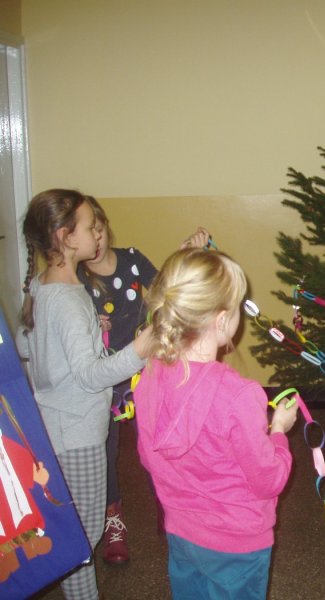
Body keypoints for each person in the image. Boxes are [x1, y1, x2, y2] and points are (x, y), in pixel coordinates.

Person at [134, 248, 298, 600]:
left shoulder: (149, 377)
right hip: (238, 543)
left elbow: (150, 459)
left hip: (181, 531)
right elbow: (268, 479)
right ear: (222, 320)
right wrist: (279, 431)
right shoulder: (239, 396)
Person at [15, 189, 152, 600]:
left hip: (54, 425)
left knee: (71, 533)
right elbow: (93, 376)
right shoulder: (70, 299)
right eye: (91, 225)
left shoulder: (43, 286)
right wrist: (140, 350)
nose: (99, 231)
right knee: (82, 538)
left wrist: (90, 333)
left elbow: (27, 345)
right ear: (65, 237)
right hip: (79, 433)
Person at [78, 196, 209, 565]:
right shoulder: (77, 280)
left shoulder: (133, 260)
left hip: (149, 375)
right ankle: (112, 516)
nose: (97, 240)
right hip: (105, 380)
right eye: (89, 233)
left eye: (99, 229)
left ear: (104, 226)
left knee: (161, 446)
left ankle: (173, 513)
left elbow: (162, 292)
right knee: (104, 450)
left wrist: (182, 255)